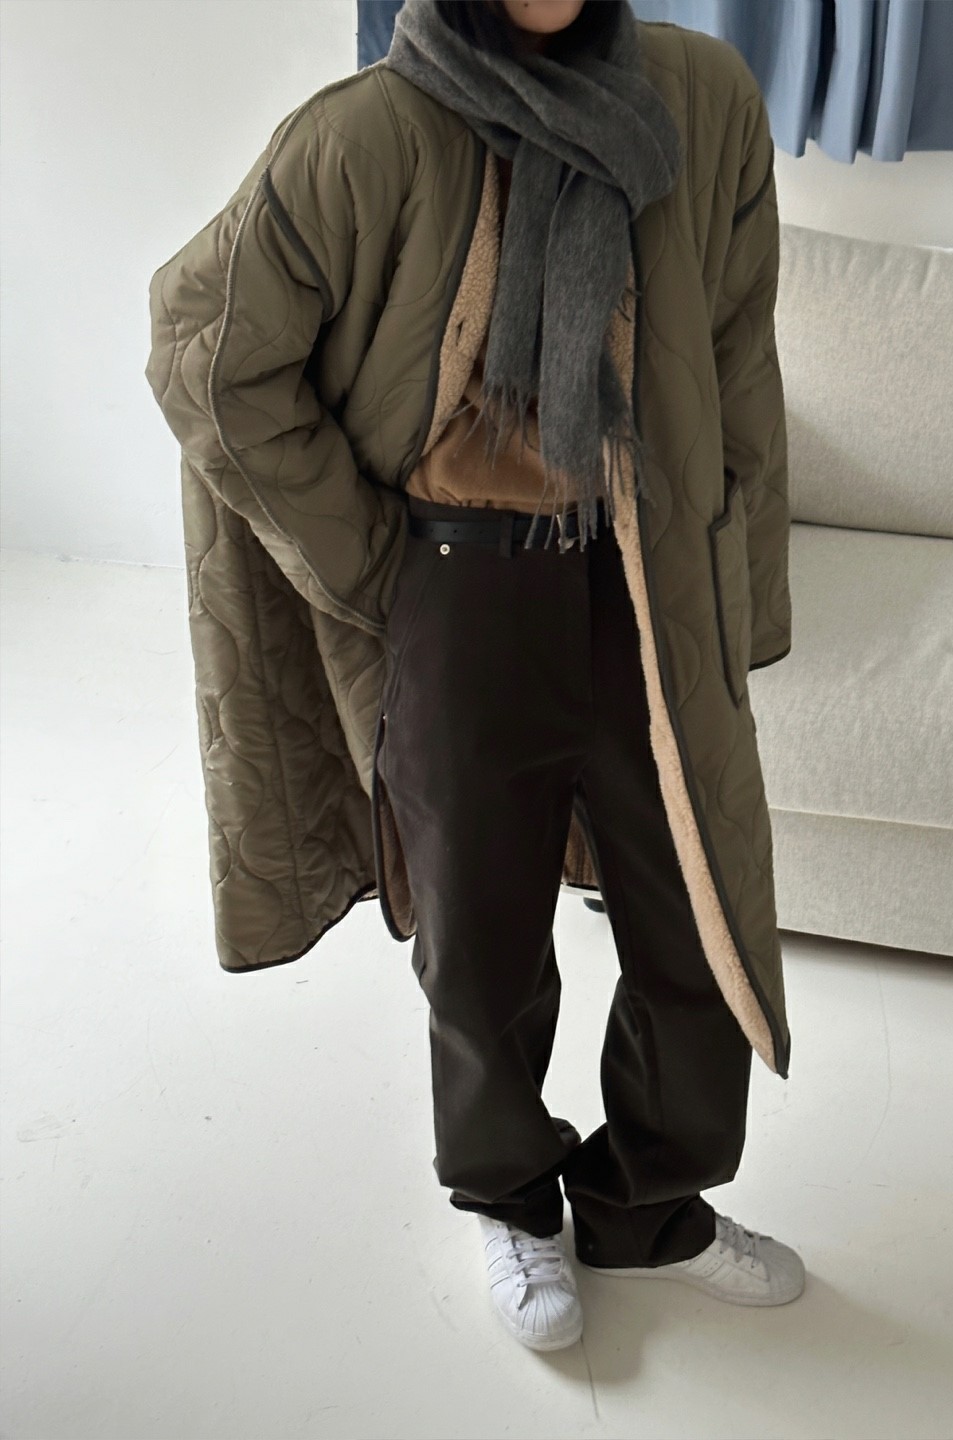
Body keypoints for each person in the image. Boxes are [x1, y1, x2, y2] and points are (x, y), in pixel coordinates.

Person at [145, 0, 799, 1353]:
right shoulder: (369, 131)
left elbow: (740, 358)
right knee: (479, 930)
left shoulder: (704, 99)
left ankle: (650, 1208)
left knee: (696, 914)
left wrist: (744, 595)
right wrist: (378, 564)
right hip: (459, 579)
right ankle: (509, 1194)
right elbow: (204, 349)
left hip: (649, 579)